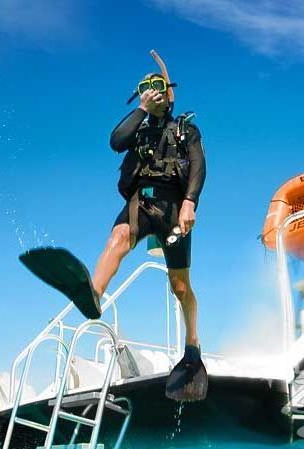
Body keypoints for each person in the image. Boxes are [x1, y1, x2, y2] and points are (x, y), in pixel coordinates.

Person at [90, 72, 207, 400]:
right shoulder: (137, 128)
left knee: (180, 286)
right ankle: (93, 294)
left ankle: (193, 343)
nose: (151, 92)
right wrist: (141, 109)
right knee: (118, 237)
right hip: (141, 201)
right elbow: (116, 141)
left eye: (157, 86)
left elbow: (198, 166)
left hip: (173, 208)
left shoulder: (186, 130)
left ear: (169, 95)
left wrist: (190, 202)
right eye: (144, 88)